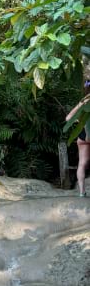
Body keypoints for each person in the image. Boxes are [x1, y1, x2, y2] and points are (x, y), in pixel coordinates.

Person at [66, 50, 90, 196]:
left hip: (82, 134)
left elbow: (68, 118)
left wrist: (78, 120)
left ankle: (81, 192)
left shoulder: (84, 101)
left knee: (82, 163)